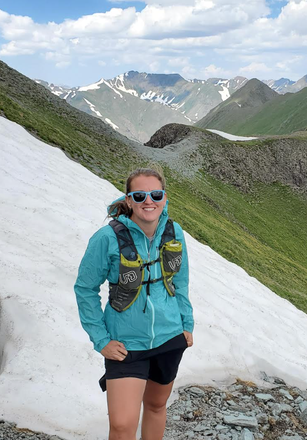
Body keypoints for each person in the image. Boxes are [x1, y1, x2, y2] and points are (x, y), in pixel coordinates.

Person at [74, 165, 194, 440]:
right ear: (128, 200)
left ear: (165, 198)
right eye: (139, 196)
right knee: (122, 424)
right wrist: (101, 339)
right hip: (126, 344)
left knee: (156, 405)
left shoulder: (175, 233)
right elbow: (85, 288)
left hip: (169, 337)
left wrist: (186, 324)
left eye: (155, 194)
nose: (148, 201)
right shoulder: (107, 238)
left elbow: (181, 282)